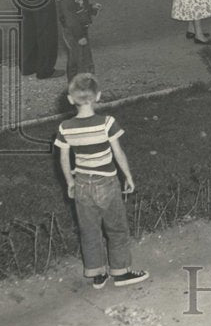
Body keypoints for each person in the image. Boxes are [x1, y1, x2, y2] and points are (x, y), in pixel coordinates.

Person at [55, 73, 148, 289]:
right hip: (106, 182)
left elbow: (63, 159)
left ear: (71, 99)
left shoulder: (65, 127)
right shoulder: (107, 123)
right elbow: (118, 153)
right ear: (98, 96)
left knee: (89, 230)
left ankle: (97, 274)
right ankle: (121, 271)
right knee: (116, 228)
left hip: (82, 184)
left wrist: (70, 182)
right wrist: (128, 176)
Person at [57, 0, 100, 82]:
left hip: (81, 29)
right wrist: (79, 36)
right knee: (78, 59)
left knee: (84, 58)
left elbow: (81, 5)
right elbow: (70, 17)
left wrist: (91, 8)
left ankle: (86, 86)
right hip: (74, 32)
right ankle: (76, 89)